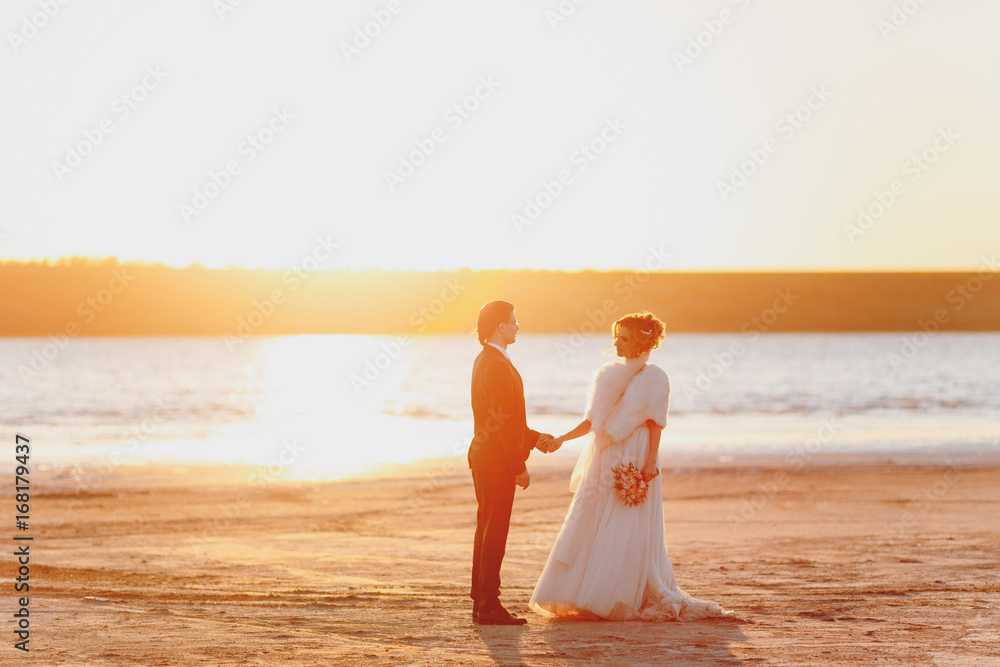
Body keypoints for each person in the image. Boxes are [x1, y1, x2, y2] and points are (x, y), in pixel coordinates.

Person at [530, 311, 732, 621]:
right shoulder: (606, 376)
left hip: (636, 454)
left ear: (640, 340)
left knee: (628, 523)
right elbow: (591, 421)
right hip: (605, 457)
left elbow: (655, 424)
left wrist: (649, 463)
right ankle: (581, 593)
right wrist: (561, 439)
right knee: (594, 518)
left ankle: (617, 594)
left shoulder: (655, 377)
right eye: (616, 337)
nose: (616, 343)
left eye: (623, 338)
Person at [469, 301, 556, 625]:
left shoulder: (487, 360)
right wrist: (519, 465)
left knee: (486, 529)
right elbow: (503, 423)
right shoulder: (496, 364)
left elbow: (505, 420)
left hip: (485, 456)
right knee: (494, 532)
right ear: (499, 326)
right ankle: (488, 603)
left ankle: (482, 601)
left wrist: (534, 438)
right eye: (514, 322)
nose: (518, 327)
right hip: (495, 460)